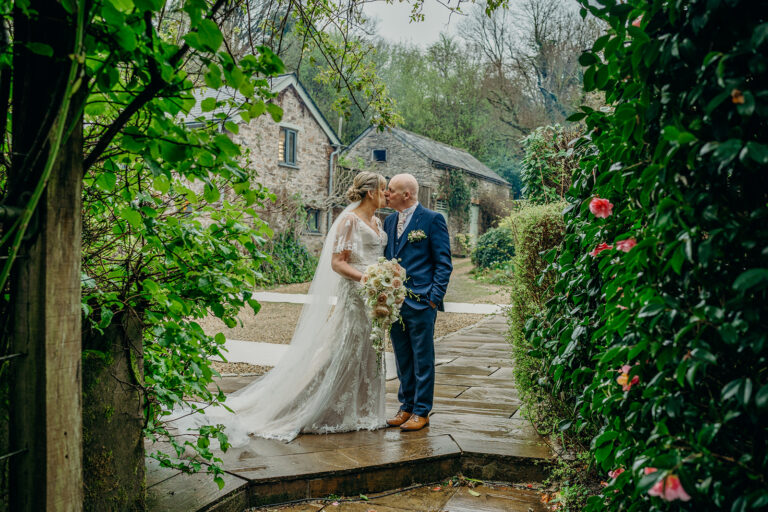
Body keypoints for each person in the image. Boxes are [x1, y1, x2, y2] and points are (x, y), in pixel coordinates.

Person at [172, 172, 389, 445]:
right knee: (345, 348)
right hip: (356, 296)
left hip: (374, 299)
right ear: (371, 192)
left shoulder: (378, 222)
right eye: (383, 188)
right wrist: (365, 278)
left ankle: (364, 411)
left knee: (371, 349)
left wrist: (384, 280)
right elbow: (337, 262)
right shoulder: (349, 220)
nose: (386, 193)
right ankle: (321, 406)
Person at [383, 173, 452, 432]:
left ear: (407, 194)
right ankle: (406, 406)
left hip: (422, 302)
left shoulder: (433, 220)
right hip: (394, 302)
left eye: (390, 190)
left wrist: (434, 299)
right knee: (402, 358)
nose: (386, 194)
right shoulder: (389, 221)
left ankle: (422, 411)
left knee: (422, 357)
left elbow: (443, 264)